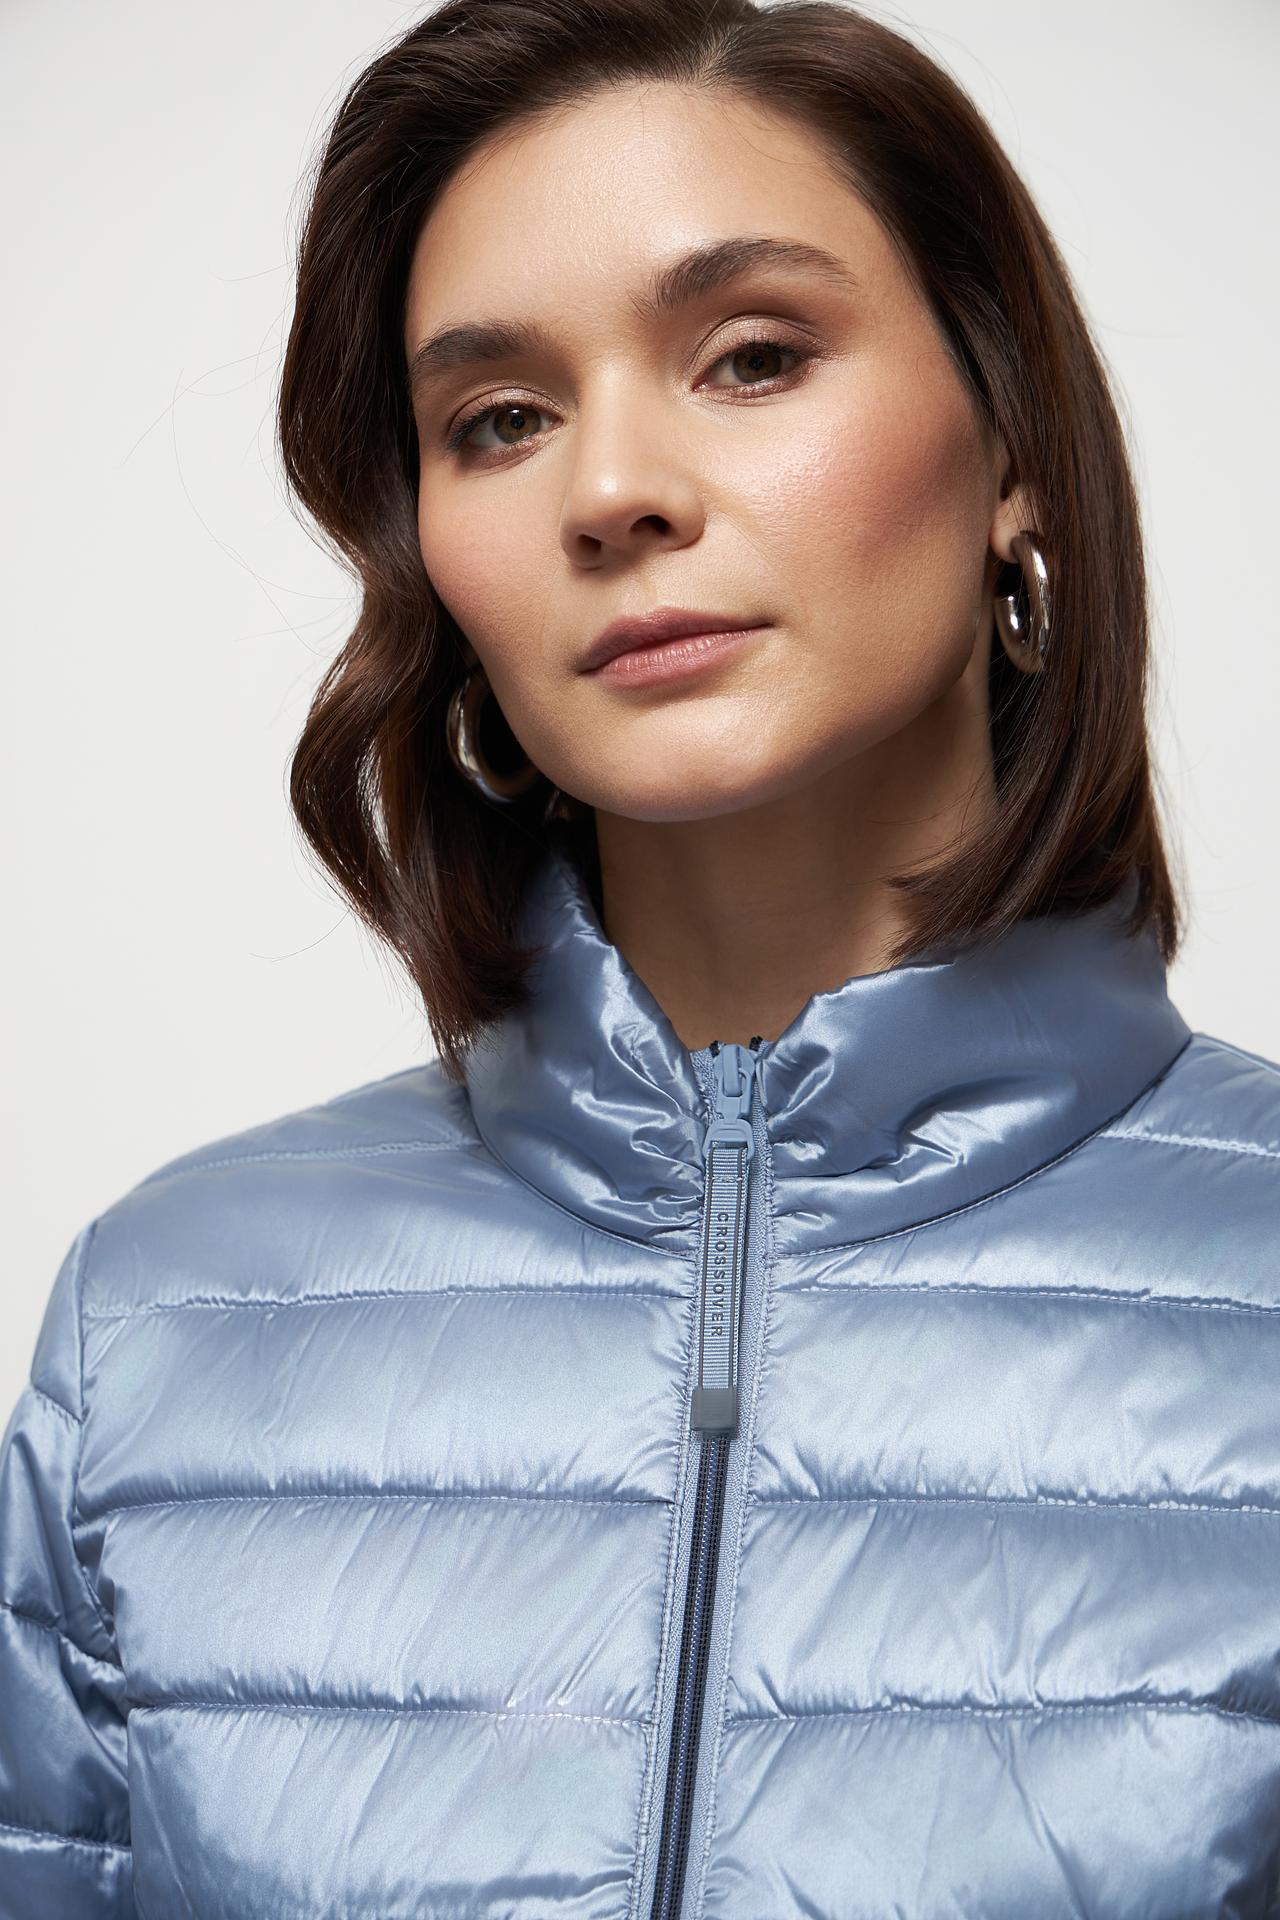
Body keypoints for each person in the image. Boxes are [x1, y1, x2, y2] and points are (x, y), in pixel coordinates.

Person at [2, 0, 1277, 1913]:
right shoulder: (162, 1325)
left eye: (753, 356)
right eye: (498, 420)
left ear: (1011, 446)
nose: (610, 491)